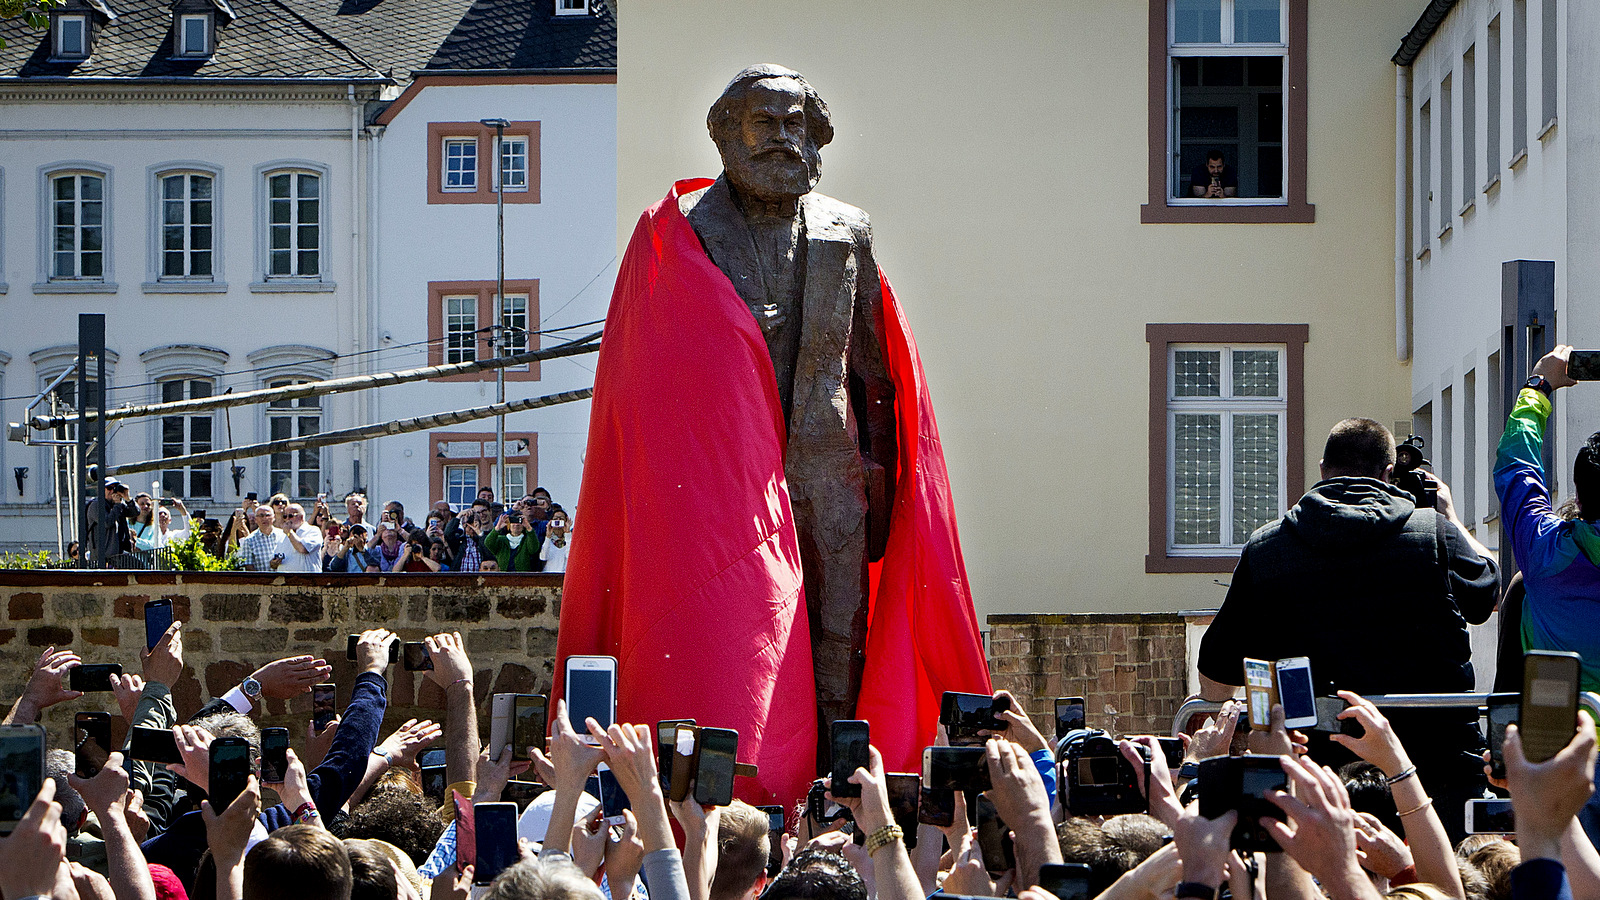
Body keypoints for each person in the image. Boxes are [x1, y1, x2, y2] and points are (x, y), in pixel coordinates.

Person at [556, 64, 989, 804]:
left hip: (830, 472)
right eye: (766, 121)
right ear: (726, 133)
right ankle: (759, 788)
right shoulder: (684, 237)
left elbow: (873, 369)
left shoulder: (846, 230)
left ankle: (836, 784)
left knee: (838, 637)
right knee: (746, 636)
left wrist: (879, 473)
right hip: (728, 485)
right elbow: (648, 384)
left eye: (798, 124)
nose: (784, 137)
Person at [1196, 416, 1500, 841]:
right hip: (1434, 768)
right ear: (1388, 473)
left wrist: (1217, 744)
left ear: (1322, 470)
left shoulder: (1267, 547)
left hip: (1316, 776)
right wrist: (1449, 517)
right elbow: (1488, 594)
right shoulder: (1434, 534)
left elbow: (1216, 668)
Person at [1493, 344, 1600, 845]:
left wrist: (1538, 389)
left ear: (1579, 493)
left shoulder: (1543, 551)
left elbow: (1517, 465)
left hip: (1564, 755)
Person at [85, 476, 138, 566]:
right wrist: (117, 505)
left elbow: (135, 512)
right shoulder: (96, 505)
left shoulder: (117, 504)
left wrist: (128, 499)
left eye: (114, 488)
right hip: (102, 557)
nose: (112, 491)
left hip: (118, 554)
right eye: (109, 488)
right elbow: (107, 522)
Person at [239, 506, 288, 572]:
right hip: (263, 580)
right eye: (261, 516)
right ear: (256, 519)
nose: (265, 518)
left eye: (267, 515)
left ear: (274, 517)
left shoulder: (284, 535)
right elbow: (248, 566)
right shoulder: (249, 540)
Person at [280, 503, 325, 573]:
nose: (287, 519)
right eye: (285, 516)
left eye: (291, 516)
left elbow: (302, 548)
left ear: (301, 517)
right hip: (285, 581)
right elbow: (272, 561)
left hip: (307, 580)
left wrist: (289, 532)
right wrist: (274, 562)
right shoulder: (282, 534)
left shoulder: (313, 531)